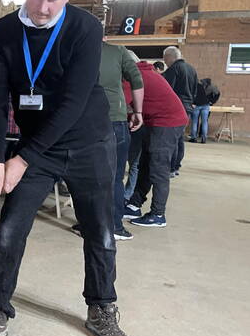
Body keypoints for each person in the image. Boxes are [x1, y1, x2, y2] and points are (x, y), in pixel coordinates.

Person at [0, 0, 133, 336]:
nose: (41, 7)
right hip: (36, 146)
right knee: (9, 228)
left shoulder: (85, 30)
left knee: (100, 230)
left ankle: (101, 308)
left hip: (89, 142)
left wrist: (21, 159)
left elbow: (72, 104)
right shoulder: (4, 31)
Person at [71, 40, 143, 241]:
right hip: (115, 120)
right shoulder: (118, 51)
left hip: (82, 121)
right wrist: (138, 111)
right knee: (114, 176)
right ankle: (114, 226)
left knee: (86, 178)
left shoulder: (73, 47)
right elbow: (137, 79)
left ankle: (90, 224)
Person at [123, 54, 188, 228]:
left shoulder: (132, 76)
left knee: (158, 168)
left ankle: (158, 214)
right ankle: (134, 205)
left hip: (166, 122)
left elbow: (118, 103)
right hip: (159, 120)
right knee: (146, 164)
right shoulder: (143, 71)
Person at [162, 46, 198, 176]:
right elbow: (195, 90)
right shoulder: (191, 69)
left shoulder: (174, 69)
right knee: (179, 138)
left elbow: (167, 90)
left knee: (172, 138)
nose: (164, 61)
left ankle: (171, 168)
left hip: (176, 107)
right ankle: (176, 166)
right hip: (187, 108)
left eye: (165, 58)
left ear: (171, 56)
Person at [189, 78, 220, 143]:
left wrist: (192, 103)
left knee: (194, 121)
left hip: (197, 105)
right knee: (205, 122)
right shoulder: (203, 87)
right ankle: (204, 138)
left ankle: (194, 138)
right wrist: (211, 102)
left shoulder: (192, 87)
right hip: (205, 105)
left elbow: (191, 96)